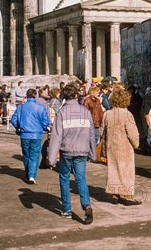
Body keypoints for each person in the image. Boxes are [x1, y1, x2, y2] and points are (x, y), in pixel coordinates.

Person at [48, 84, 96, 224]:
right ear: (76, 95)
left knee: (64, 178)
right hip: (82, 151)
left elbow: (56, 137)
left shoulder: (61, 113)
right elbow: (91, 134)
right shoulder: (85, 111)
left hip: (66, 151)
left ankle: (67, 210)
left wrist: (51, 159)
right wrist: (93, 153)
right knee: (81, 178)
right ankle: (86, 204)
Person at [101, 88, 141, 205]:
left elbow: (103, 133)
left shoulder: (107, 114)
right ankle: (127, 196)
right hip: (125, 147)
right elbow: (132, 133)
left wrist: (104, 149)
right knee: (126, 171)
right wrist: (136, 144)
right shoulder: (127, 114)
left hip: (111, 146)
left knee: (113, 170)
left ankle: (114, 194)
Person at [11, 88, 50, 184]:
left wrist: (18, 127)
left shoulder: (20, 107)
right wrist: (44, 127)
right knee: (34, 155)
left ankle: (28, 173)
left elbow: (13, 119)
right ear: (35, 96)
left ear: (26, 96)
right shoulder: (41, 108)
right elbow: (46, 122)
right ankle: (31, 175)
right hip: (36, 135)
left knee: (26, 155)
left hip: (24, 134)